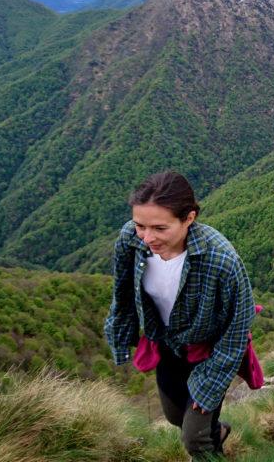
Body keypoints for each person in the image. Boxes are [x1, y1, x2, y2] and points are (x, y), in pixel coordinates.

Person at [105, 171, 255, 459]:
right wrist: (121, 333)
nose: (147, 237)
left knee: (194, 438)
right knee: (176, 417)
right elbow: (121, 290)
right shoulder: (130, 239)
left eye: (160, 228)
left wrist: (210, 386)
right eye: (140, 225)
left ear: (189, 218)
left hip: (207, 350)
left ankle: (208, 442)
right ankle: (217, 431)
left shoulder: (221, 260)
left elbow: (237, 329)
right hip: (166, 343)